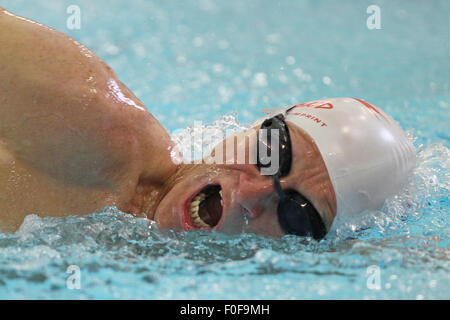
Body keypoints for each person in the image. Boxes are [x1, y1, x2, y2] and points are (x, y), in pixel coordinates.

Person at [0, 7, 416, 239]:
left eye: (297, 215)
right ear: (250, 129)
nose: (252, 195)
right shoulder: (83, 116)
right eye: (272, 153)